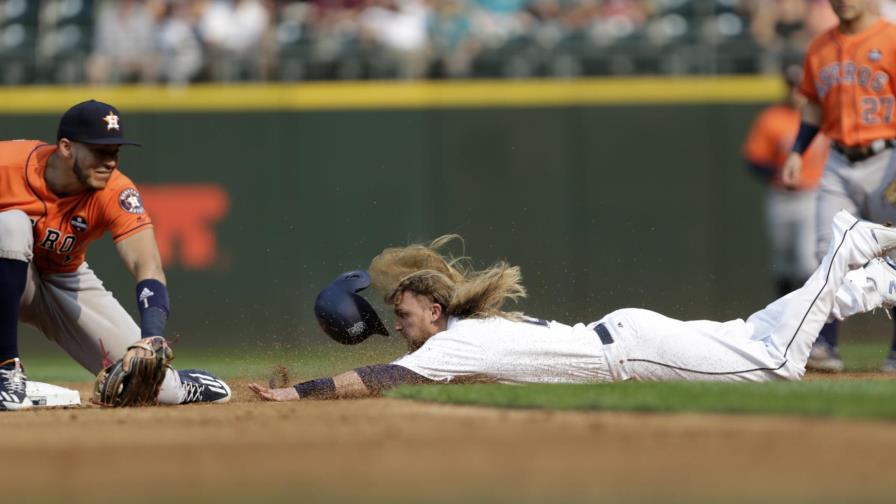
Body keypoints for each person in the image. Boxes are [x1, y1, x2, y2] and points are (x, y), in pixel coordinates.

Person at [250, 211, 896, 401]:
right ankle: (879, 284)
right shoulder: (468, 327)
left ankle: (849, 243)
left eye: (404, 308)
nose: (398, 323)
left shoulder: (455, 342)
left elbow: (381, 377)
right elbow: (399, 358)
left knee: (778, 363)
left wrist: (299, 394)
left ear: (435, 306)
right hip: (630, 336)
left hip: (641, 350)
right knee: (766, 328)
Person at [0, 99, 231, 410]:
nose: (110, 162)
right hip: (8, 269)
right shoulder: (7, 165)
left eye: (115, 152)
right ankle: (6, 369)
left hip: (63, 279)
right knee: (10, 224)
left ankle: (183, 384)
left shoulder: (115, 190)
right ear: (66, 147)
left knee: (149, 384)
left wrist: (150, 338)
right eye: (99, 151)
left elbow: (146, 264)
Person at [781, 0, 896, 372]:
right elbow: (813, 104)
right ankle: (824, 346)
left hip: (888, 157)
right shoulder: (820, 46)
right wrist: (799, 150)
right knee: (828, 251)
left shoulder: (891, 39)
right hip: (838, 160)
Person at [743, 64, 829, 298]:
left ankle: (808, 319)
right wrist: (775, 173)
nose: (796, 92)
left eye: (801, 87)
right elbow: (754, 159)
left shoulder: (824, 117)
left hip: (812, 196)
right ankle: (782, 318)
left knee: (806, 261)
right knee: (782, 261)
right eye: (792, 87)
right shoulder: (772, 118)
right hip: (780, 196)